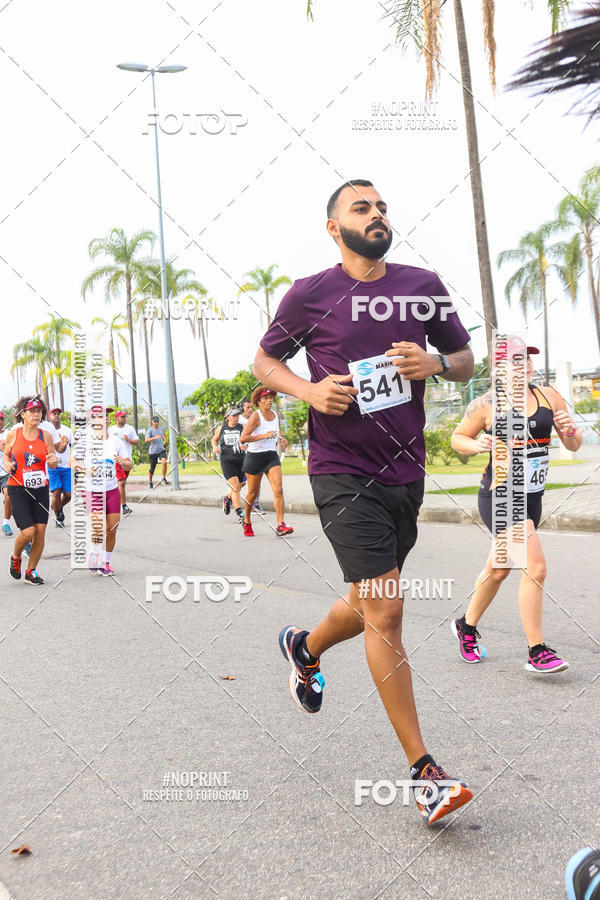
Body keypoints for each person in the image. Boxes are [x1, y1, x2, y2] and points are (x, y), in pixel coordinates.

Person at [254, 179, 475, 825]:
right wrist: (309, 391)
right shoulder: (310, 293)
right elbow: (266, 362)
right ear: (334, 227)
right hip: (340, 469)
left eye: (382, 207)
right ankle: (424, 771)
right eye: (362, 207)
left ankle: (303, 646)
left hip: (405, 470)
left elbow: (464, 359)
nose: (377, 215)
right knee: (387, 604)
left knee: (368, 598)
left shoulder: (421, 283)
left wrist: (433, 364)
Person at [450, 342, 582, 673]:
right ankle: (537, 651)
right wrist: (476, 443)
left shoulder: (549, 396)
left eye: (527, 360)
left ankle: (465, 627)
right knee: (534, 568)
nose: (524, 366)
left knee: (499, 570)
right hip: (499, 495)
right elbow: (458, 439)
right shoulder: (485, 405)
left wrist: (570, 431)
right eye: (515, 361)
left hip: (532, 497)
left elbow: (572, 443)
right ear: (499, 369)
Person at [3, 396, 58, 585]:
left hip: (40, 489)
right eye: (32, 411)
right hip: (18, 488)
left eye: (39, 411)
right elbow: (6, 456)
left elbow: (53, 458)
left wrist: (53, 462)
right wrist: (8, 464)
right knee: (28, 532)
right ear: (22, 414)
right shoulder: (13, 434)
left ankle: (31, 571)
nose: (36, 414)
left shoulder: (46, 436)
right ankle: (16, 556)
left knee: (40, 533)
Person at [72, 405, 131, 576]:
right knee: (99, 526)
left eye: (106, 416)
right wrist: (84, 469)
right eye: (100, 416)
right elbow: (73, 461)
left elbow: (129, 463)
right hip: (92, 491)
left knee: (112, 529)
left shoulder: (115, 440)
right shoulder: (86, 440)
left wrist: (123, 462)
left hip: (111, 489)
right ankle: (94, 555)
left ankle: (105, 562)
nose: (105, 418)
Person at [240, 387, 291, 537]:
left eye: (271, 398)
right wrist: (263, 436)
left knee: (279, 489)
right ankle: (247, 520)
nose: (269, 401)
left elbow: (276, 430)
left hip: (271, 456)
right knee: (252, 494)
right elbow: (243, 437)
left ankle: (280, 525)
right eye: (265, 398)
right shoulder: (256, 417)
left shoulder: (276, 415)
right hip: (255, 458)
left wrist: (281, 438)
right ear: (258, 401)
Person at [212, 407, 247, 522]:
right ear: (227, 417)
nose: (236, 418)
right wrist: (215, 447)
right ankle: (239, 511)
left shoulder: (242, 427)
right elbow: (214, 440)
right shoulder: (221, 428)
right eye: (233, 415)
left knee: (241, 484)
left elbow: (247, 440)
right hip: (227, 460)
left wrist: (246, 446)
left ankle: (227, 499)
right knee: (235, 486)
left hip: (241, 460)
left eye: (237, 415)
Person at [41, 407, 72, 528]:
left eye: (58, 414)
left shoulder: (67, 430)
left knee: (68, 495)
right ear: (49, 417)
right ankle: (58, 515)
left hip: (66, 467)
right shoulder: (46, 429)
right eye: (54, 414)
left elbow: (67, 448)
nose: (57, 415)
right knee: (56, 493)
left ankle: (58, 507)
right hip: (52, 467)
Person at [109, 409, 139, 516]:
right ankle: (124, 506)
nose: (125, 418)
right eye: (122, 417)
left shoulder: (130, 429)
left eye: (125, 416)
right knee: (121, 482)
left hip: (127, 460)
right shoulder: (110, 430)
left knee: (121, 483)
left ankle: (115, 500)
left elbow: (136, 442)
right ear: (116, 418)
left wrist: (128, 440)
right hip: (116, 460)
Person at [239, 397, 265, 514]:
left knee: (256, 480)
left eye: (251, 407)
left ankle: (255, 504)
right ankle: (229, 497)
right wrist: (240, 444)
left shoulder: (256, 418)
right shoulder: (238, 420)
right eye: (247, 407)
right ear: (242, 408)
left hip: (253, 455)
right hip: (239, 456)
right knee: (241, 482)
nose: (250, 409)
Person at [0, 412, 14, 537]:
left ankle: (6, 523)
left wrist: (4, 449)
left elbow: (14, 452)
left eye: (1, 419)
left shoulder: (9, 434)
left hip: (5, 472)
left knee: (8, 496)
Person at [145, 415, 168, 489]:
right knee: (152, 468)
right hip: (153, 451)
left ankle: (163, 478)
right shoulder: (150, 430)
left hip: (161, 449)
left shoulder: (161, 429)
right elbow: (146, 440)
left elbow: (164, 435)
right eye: (155, 422)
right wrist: (154, 437)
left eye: (157, 421)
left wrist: (165, 440)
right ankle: (150, 481)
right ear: (152, 422)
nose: (156, 423)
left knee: (164, 462)